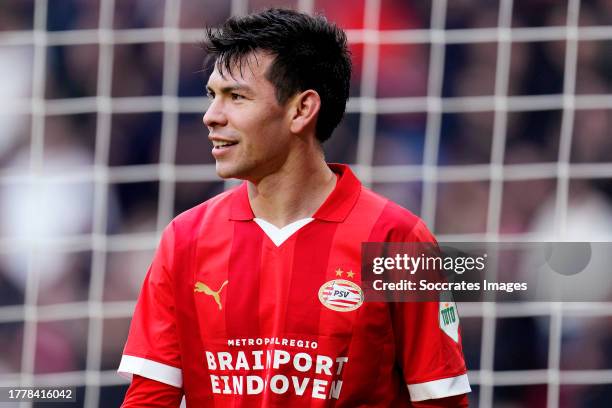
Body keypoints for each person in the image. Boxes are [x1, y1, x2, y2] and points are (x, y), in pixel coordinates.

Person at [118, 8, 470, 407]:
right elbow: (150, 398)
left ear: (302, 110)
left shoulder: (398, 241)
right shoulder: (186, 239)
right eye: (212, 96)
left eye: (236, 97)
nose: (211, 116)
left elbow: (440, 402)